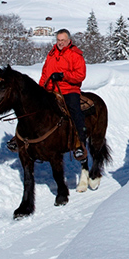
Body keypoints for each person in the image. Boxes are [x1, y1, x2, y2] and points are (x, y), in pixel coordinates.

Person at [38, 29, 88, 161]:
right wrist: (40, 89)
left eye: (63, 40)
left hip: (68, 90)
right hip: (50, 90)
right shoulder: (51, 54)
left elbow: (80, 75)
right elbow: (44, 73)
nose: (60, 43)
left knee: (74, 111)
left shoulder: (75, 54)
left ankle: (79, 144)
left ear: (68, 40)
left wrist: (63, 76)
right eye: (58, 40)